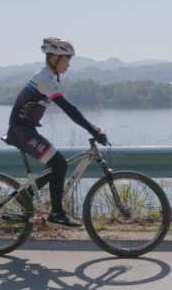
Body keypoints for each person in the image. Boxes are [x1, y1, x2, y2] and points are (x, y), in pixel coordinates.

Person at [7, 37, 108, 228]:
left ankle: (26, 196)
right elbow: (68, 108)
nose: (69, 64)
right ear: (54, 58)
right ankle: (56, 213)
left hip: (24, 128)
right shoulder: (43, 79)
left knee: (56, 164)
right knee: (59, 163)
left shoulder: (46, 78)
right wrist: (92, 129)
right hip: (21, 130)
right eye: (66, 59)